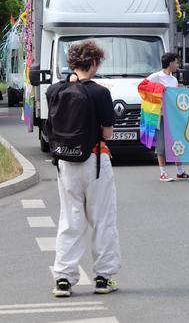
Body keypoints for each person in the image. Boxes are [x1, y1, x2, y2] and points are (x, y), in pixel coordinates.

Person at [50, 40, 121, 297]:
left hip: (65, 163)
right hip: (95, 161)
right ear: (93, 63)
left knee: (70, 219)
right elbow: (108, 133)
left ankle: (63, 279)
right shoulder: (100, 93)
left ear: (72, 64)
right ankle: (103, 277)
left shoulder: (56, 90)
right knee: (102, 220)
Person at [147, 53, 189, 182]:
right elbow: (142, 87)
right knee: (161, 145)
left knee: (176, 143)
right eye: (176, 62)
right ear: (170, 63)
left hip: (173, 116)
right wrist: (159, 90)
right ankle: (163, 173)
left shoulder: (174, 79)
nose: (178, 65)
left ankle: (180, 171)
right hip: (160, 116)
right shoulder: (156, 76)